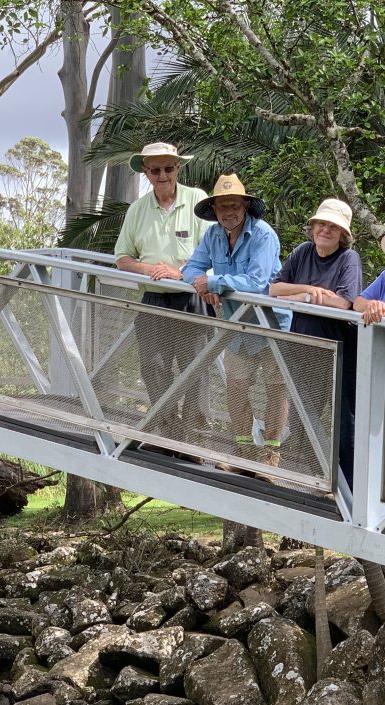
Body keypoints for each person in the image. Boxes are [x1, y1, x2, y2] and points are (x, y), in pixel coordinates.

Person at [182, 175, 292, 466]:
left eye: (233, 205)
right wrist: (200, 283)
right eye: (221, 206)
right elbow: (191, 267)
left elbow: (257, 282)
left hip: (270, 326)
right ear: (214, 210)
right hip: (236, 325)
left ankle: (271, 455)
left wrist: (214, 282)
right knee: (237, 386)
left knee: (276, 388)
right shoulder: (213, 235)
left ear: (245, 206)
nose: (227, 212)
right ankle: (243, 451)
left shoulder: (264, 235)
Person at [114, 141, 212, 440]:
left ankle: (195, 436)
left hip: (193, 298)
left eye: (169, 168)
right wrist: (150, 269)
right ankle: (168, 432)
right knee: (153, 366)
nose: (162, 175)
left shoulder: (199, 200)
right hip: (154, 299)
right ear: (145, 172)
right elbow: (122, 257)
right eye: (155, 169)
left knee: (196, 369)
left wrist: (180, 273)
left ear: (178, 168)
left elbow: (213, 255)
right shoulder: (137, 210)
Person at [270, 199, 361, 487]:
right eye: (322, 223)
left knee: (343, 422)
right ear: (313, 227)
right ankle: (316, 480)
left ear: (342, 233)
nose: (326, 230)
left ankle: (348, 490)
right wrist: (309, 293)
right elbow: (275, 289)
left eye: (333, 227)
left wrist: (296, 297)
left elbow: (343, 302)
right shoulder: (303, 252)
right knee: (302, 417)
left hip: (340, 351)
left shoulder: (349, 259)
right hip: (304, 349)